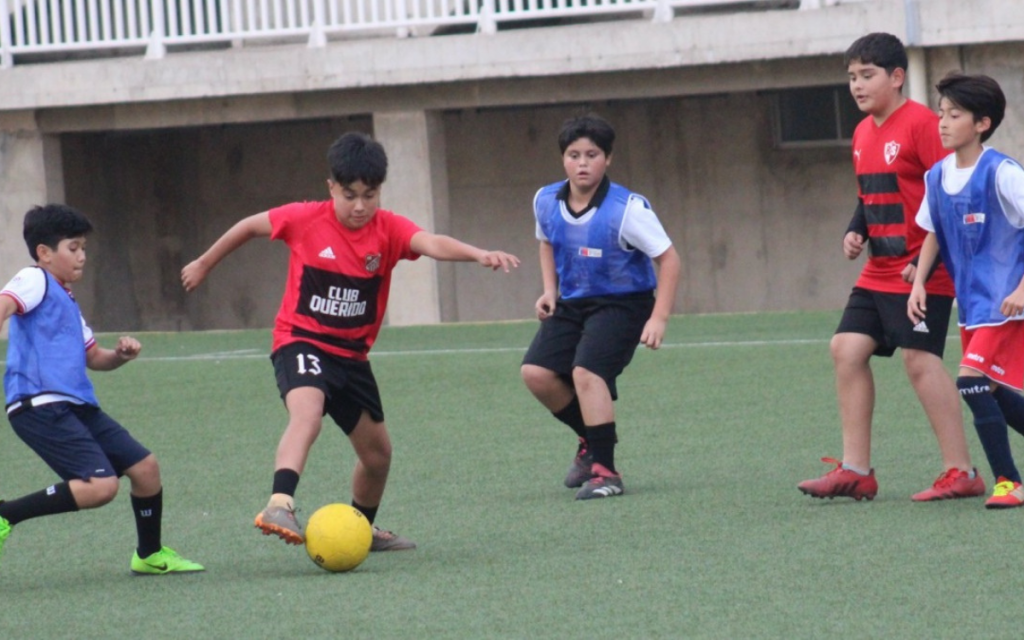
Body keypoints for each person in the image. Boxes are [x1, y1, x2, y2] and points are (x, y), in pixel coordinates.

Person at [181, 132, 519, 550]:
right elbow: (249, 226)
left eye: (370, 195)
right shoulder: (305, 218)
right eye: (350, 195)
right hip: (300, 341)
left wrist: (478, 253)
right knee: (308, 413)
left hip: (352, 358)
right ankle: (279, 502)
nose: (360, 206)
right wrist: (203, 262)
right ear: (331, 188)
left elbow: (430, 243)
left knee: (378, 455)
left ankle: (360, 527)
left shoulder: (389, 229)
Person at [798, 32, 984, 502]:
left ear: (896, 77)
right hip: (879, 270)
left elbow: (950, 192)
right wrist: (855, 228)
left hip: (923, 271)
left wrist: (927, 264)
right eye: (851, 77)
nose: (857, 86)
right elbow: (869, 193)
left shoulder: (923, 124)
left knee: (919, 361)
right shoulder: (862, 132)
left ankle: (961, 471)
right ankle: (856, 470)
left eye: (867, 75)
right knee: (846, 348)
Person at [0, 204, 204, 575]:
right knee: (101, 486)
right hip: (39, 405)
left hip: (75, 405)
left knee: (145, 468)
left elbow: (94, 357)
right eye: (73, 248)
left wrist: (121, 355)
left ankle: (149, 554)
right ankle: (6, 514)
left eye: (83, 248)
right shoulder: (35, 279)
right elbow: (4, 305)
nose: (82, 256)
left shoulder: (66, 299)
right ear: (44, 253)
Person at [520, 113, 681, 501]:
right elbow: (547, 242)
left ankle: (606, 472)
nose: (582, 162)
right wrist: (549, 291)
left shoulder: (628, 209)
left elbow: (670, 259)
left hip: (624, 303)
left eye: (592, 154)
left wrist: (659, 317)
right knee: (536, 374)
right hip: (574, 301)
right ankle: (591, 440)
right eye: (574, 154)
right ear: (563, 159)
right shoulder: (545, 199)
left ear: (607, 158)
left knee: (586, 372)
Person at [909, 73, 1024, 509]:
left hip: (1006, 306)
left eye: (954, 115)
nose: (942, 122)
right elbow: (933, 233)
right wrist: (918, 282)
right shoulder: (937, 177)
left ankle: (1008, 482)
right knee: (991, 389)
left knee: (970, 382)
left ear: (982, 123)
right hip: (971, 308)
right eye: (941, 113)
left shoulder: (1003, 172)